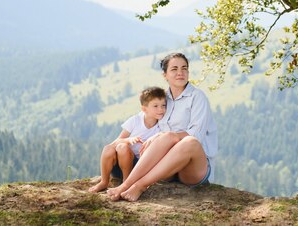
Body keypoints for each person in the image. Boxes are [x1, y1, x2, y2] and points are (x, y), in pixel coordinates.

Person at [107, 52, 217, 202]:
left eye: (184, 68)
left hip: (192, 168)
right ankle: (125, 185)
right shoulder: (161, 100)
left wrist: (165, 136)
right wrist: (122, 142)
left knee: (188, 141)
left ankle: (140, 186)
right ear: (165, 75)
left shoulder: (197, 97)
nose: (180, 72)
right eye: (174, 69)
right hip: (166, 168)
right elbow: (143, 120)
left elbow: (195, 135)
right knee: (166, 137)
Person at [88, 86, 167, 193]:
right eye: (155, 106)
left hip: (140, 167)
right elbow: (116, 143)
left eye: (163, 105)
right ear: (144, 109)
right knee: (114, 147)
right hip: (121, 164)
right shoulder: (135, 121)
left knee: (122, 147)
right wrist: (128, 140)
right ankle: (104, 181)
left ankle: (126, 183)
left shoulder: (162, 125)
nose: (161, 109)